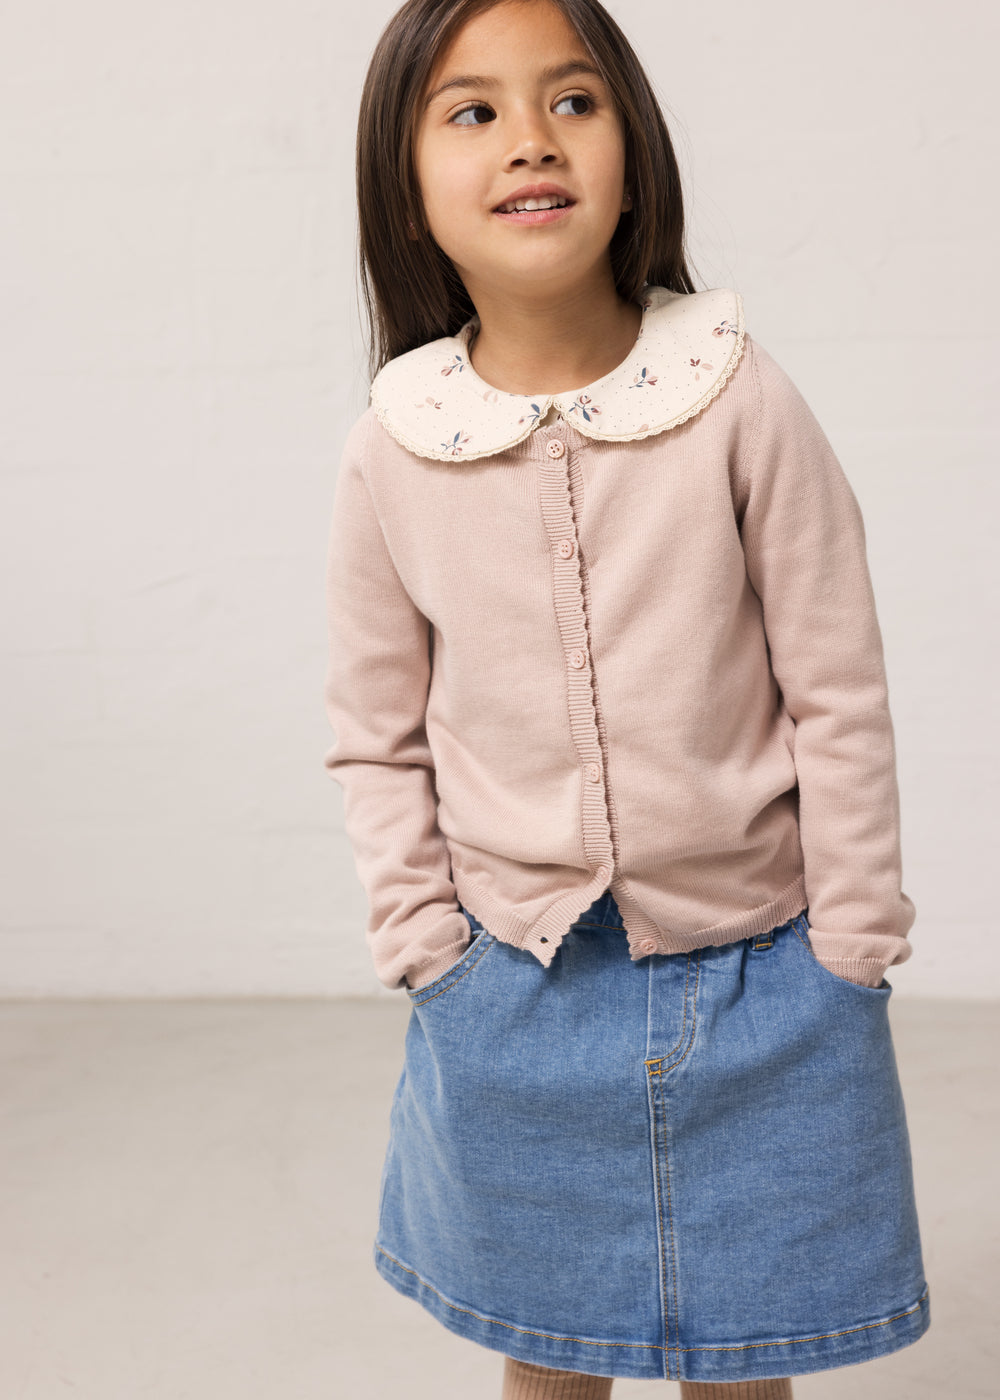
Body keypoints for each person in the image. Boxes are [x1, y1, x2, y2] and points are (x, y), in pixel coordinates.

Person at [322, 0, 932, 1395]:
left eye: (574, 101)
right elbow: (376, 734)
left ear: (633, 150)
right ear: (406, 195)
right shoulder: (394, 447)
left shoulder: (736, 395)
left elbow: (837, 688)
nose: (531, 141)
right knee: (548, 1351)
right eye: (473, 112)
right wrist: (427, 949)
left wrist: (851, 943)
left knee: (747, 1349)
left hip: (767, 973)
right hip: (514, 982)